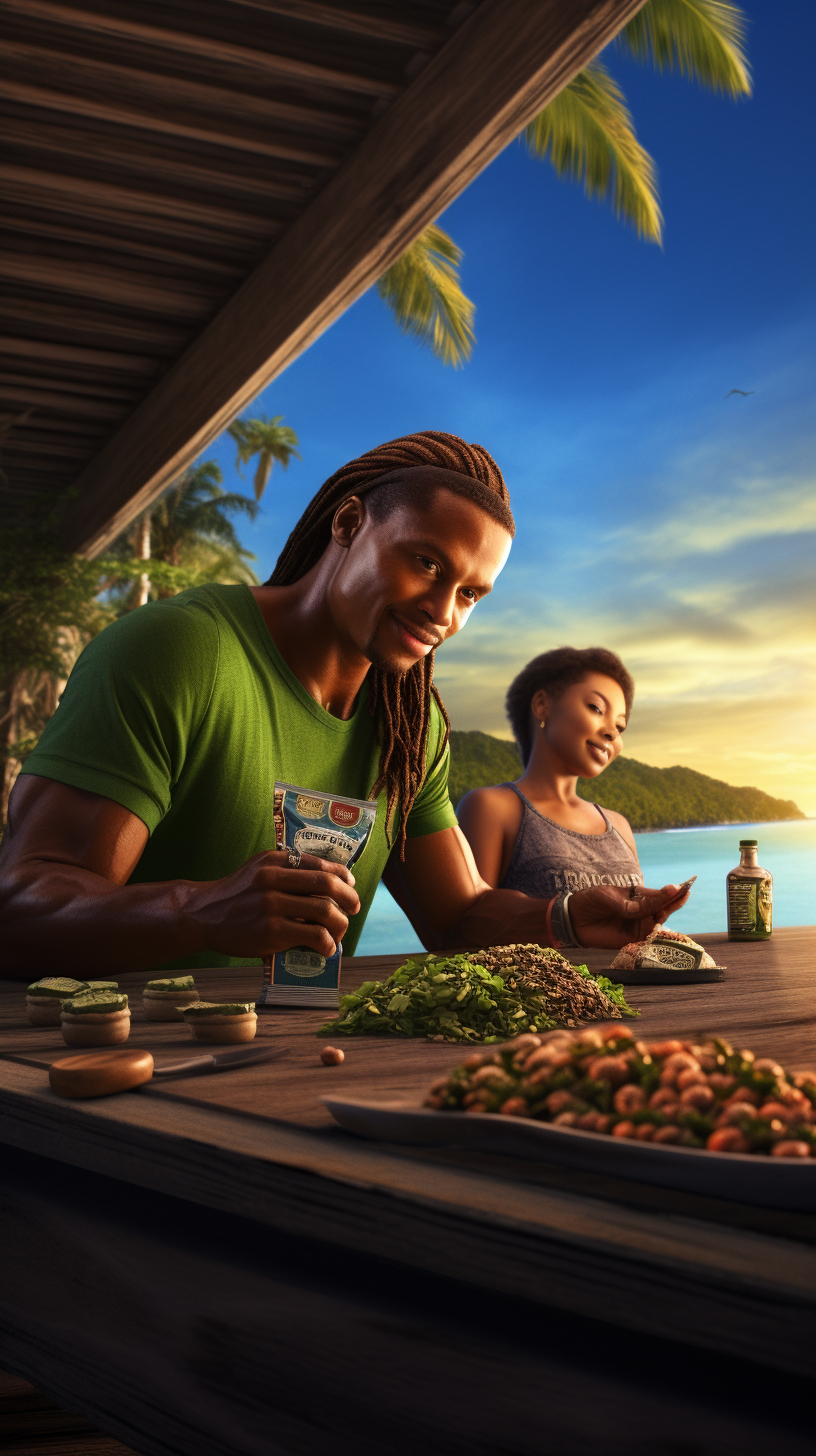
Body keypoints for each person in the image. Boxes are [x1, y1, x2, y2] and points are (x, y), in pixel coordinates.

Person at [0, 433, 688, 977]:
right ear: (349, 522)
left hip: (296, 1078)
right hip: (100, 1085)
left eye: (471, 594)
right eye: (426, 563)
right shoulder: (181, 650)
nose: (443, 613)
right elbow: (21, 914)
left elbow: (457, 917)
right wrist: (197, 911)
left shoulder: (409, 731)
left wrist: (565, 920)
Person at [457, 647, 654, 947]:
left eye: (620, 726)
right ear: (542, 704)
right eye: (596, 708)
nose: (612, 733)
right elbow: (469, 931)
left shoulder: (619, 826)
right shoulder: (493, 808)